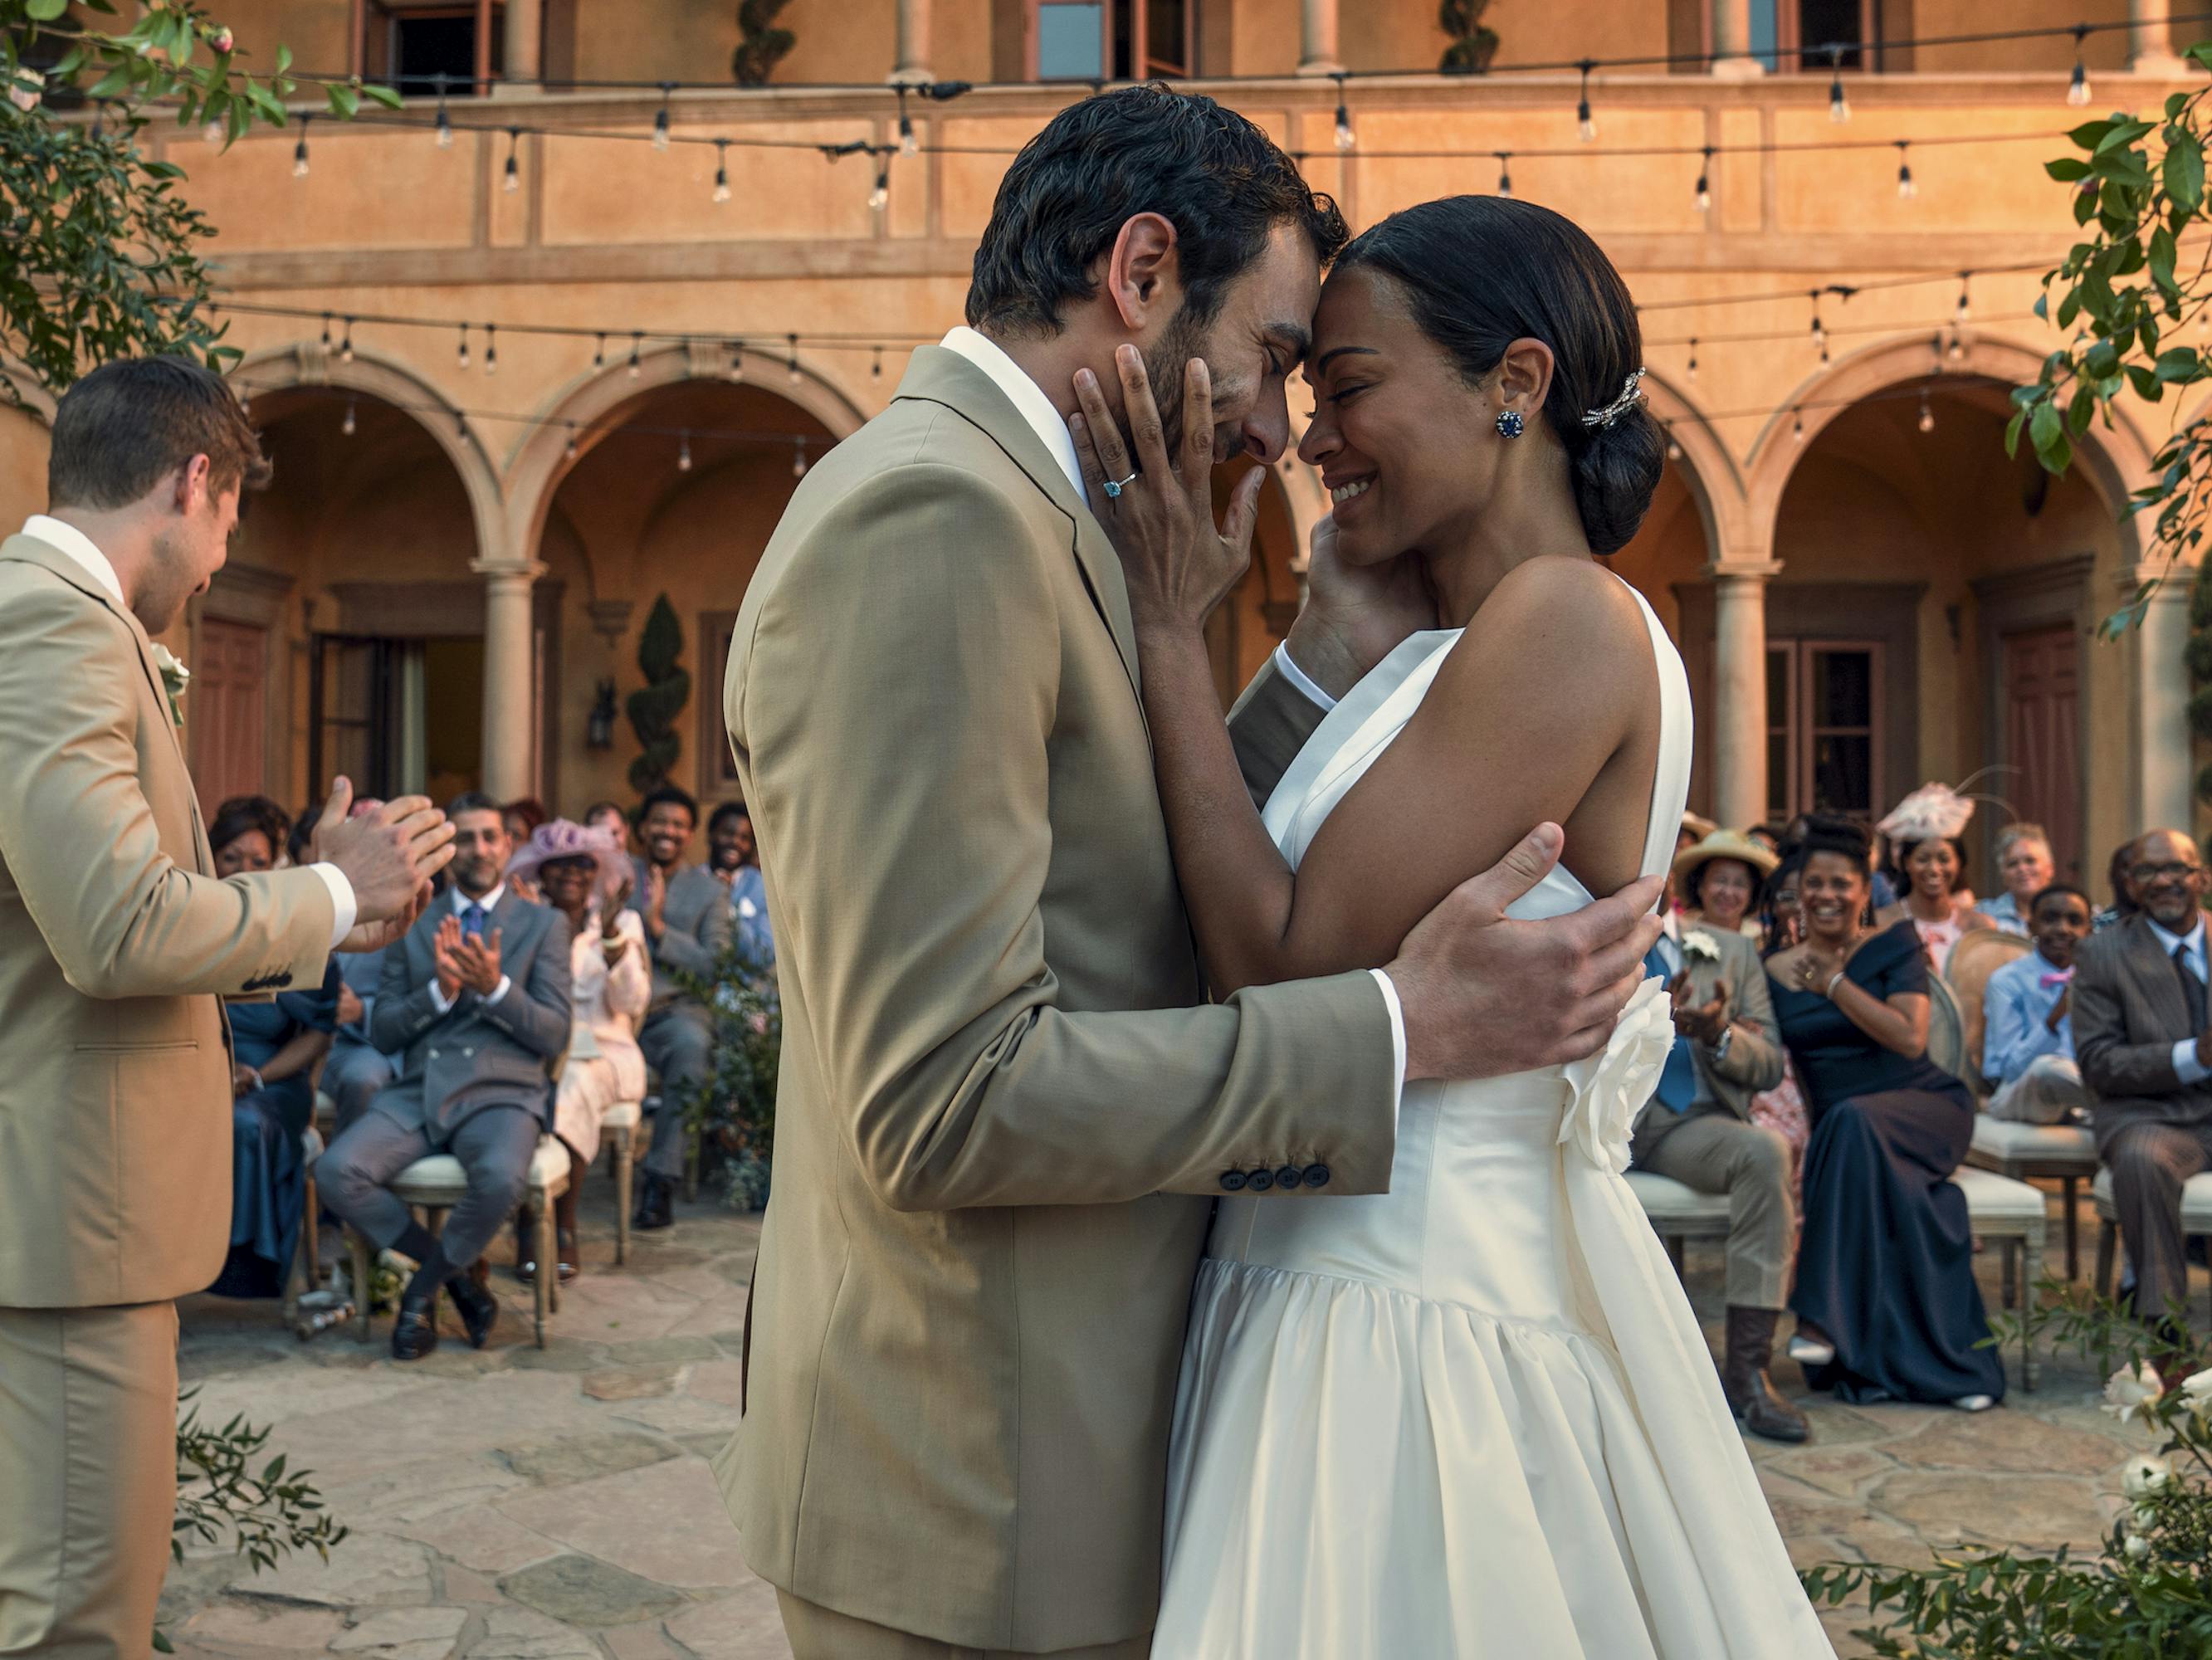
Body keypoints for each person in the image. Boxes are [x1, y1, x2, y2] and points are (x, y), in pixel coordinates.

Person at [715, 93, 1675, 1660]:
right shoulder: (935, 517)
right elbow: (945, 1096)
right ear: (1144, 275)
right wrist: (1395, 1033)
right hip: (979, 1492)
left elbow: (1119, 893)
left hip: (1080, 1459)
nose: (1278, 422)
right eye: (1283, 353)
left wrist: (1309, 660)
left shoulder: (1040, 517)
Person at [1073, 192, 1829, 1653]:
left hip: (1402, 1321)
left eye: (1350, 386)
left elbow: (1277, 971)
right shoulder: (1447, 647)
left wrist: (1168, 626)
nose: (1310, 439)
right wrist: (1315, 647)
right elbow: (1230, 889)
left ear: (1516, 384)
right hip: (1311, 1275)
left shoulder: (1566, 622)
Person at [0, 356, 450, 1659]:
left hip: (73, 1218)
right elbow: (122, 924)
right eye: (231, 530)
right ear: (195, 483)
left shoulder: (73, 630)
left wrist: (334, 903)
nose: (216, 569)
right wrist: (322, 884)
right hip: (71, 1223)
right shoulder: (51, 625)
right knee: (80, 1625)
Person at [314, 793, 573, 1361]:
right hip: (421, 1090)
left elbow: (555, 1034)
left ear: (507, 845)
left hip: (504, 1094)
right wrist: (442, 992)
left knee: (500, 1178)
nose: (479, 849)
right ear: (450, 848)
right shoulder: (416, 918)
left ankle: (420, 1292)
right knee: (336, 1171)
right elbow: (384, 1032)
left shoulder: (544, 924)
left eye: (490, 836)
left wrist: (495, 989)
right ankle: (456, 1279)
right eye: (468, 838)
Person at [1765, 817, 2003, 1410]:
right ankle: (1892, 1366)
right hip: (1850, 1133)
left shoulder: (1893, 945)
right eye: (1813, 883)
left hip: (1927, 1108)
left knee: (1849, 1123)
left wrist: (1836, 984)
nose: (1826, 895)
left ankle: (1818, 1318)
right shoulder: (1769, 967)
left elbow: (1908, 1039)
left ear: (1863, 889)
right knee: (1852, 1134)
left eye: (1841, 883)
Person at [1631, 889, 1802, 1443]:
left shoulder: (1729, 950)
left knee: (1765, 1151)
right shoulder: (1589, 934)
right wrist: (1643, 1024)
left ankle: (1747, 1373)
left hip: (1687, 1124)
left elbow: (1770, 1064)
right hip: (1601, 1119)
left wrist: (1715, 1034)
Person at [203, 798, 343, 1300]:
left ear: (275, 865)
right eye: (231, 859)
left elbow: (319, 1034)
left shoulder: (294, 933)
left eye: (258, 862)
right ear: (210, 859)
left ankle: (241, 1261)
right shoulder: (189, 929)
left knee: (243, 1123)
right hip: (193, 1070)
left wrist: (254, 1077)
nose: (244, 871)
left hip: (273, 1081)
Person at [2072, 829, 2212, 1329]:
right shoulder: (2101, 954)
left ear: (2203, 877)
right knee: (2141, 1160)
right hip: (2151, 1117)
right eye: (2149, 871)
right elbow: (2098, 1062)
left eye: (2177, 869)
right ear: (2130, 883)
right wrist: (2191, 1056)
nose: (2164, 881)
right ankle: (2164, 1325)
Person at [505, 819, 647, 1285]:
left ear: (596, 872)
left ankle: (554, 1224)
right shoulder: (522, 918)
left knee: (571, 1086)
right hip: (538, 1050)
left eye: (582, 865)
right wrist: (532, 933)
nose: (571, 873)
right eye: (558, 865)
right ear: (541, 874)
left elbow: (633, 1004)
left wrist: (610, 943)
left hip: (605, 1053)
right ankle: (528, 1207)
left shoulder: (622, 922)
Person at [628, 784, 731, 1233]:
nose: (667, 831)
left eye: (677, 824)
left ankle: (659, 1182)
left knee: (692, 1049)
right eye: (659, 822)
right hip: (612, 1011)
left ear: (689, 835)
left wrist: (658, 928)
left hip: (674, 1012)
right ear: (642, 828)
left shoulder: (709, 892)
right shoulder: (616, 876)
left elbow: (714, 963)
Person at [1981, 882, 2094, 1125]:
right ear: (2031, 925)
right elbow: (2010, 1070)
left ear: (2089, 930)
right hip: (2020, 1094)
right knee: (2048, 1070)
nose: (2063, 929)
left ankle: (2099, 1110)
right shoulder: (2006, 981)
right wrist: (2055, 1018)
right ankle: (2117, 1105)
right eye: (2050, 919)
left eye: (2074, 921)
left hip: (2081, 1100)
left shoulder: (2098, 980)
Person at [1750, 849, 1814, 1198]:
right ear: (1774, 906)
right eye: (1788, 897)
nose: (1800, 905)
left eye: (1809, 893)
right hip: (1778, 1076)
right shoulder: (1758, 961)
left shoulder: (1848, 961)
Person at [707, 798, 774, 970]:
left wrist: (729, 906)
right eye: (728, 833)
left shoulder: (761, 887)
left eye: (744, 838)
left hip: (743, 990)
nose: (735, 842)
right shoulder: (692, 878)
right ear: (712, 835)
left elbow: (763, 954)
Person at [1675, 827, 1777, 939]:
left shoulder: (1762, 940)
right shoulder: (1677, 933)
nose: (1728, 892)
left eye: (1739, 884)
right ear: (1700, 885)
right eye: (1720, 880)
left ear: (1753, 892)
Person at [1975, 823, 2057, 936]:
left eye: (2030, 861)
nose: (2022, 869)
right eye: (2012, 864)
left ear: (2050, 868)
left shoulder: (2075, 915)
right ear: (2003, 874)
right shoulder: (1983, 913)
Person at [2094, 840, 2141, 933]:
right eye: (2126, 867)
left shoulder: (2165, 926)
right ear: (2111, 875)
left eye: (2139, 868)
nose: (2131, 875)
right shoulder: (2095, 929)